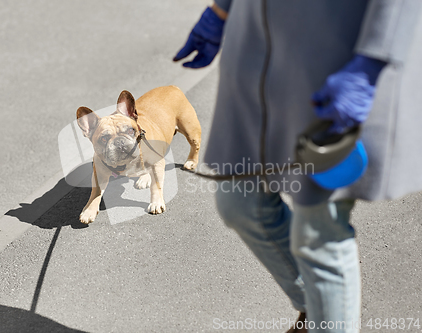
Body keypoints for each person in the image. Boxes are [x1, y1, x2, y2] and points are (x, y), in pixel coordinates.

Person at [174, 1, 422, 332]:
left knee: (319, 232)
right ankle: (320, 312)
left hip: (338, 57)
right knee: (240, 201)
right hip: (255, 47)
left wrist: (372, 61)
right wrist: (221, 9)